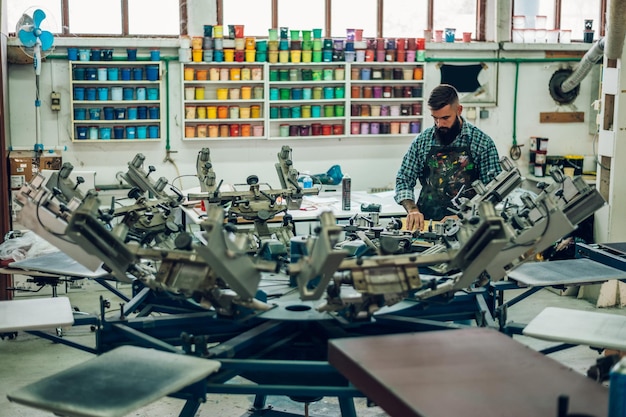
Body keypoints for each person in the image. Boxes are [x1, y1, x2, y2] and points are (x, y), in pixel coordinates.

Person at [394, 84, 502, 232]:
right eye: (435, 118)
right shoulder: (422, 141)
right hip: (427, 226)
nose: (440, 124)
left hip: (468, 227)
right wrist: (412, 209)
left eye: (445, 118)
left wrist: (464, 216)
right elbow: (403, 179)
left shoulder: (481, 143)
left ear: (459, 110)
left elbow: (494, 192)